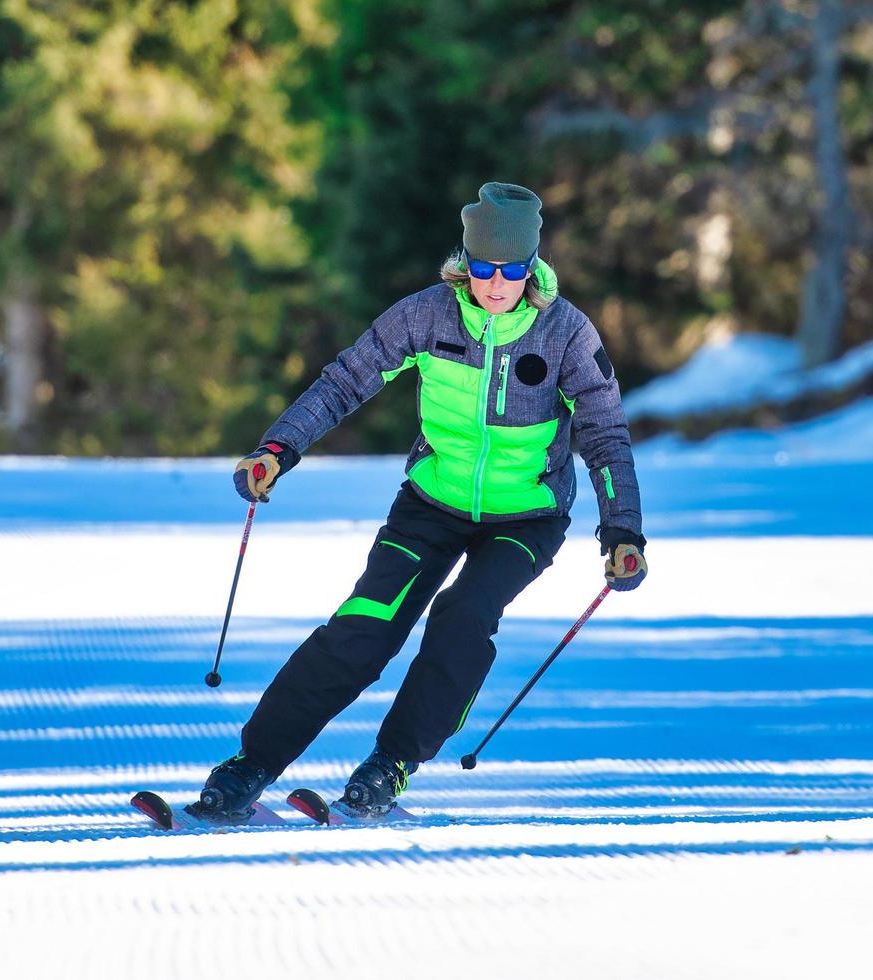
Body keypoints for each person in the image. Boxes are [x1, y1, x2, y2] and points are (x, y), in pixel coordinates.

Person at [191, 181, 647, 820]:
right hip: (431, 503)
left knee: (464, 616)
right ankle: (251, 765)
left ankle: (391, 764)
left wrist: (621, 530)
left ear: (531, 267)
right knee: (365, 625)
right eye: (483, 268)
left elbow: (603, 432)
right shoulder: (427, 314)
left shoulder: (565, 333)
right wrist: (278, 449)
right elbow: (346, 380)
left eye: (510, 270)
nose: (495, 284)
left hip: (527, 516)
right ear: (465, 262)